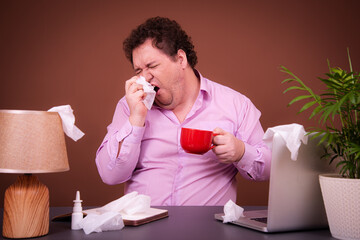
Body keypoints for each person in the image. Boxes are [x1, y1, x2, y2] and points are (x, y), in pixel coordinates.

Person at [95, 17, 271, 206]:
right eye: (138, 70)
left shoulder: (236, 104)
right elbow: (110, 175)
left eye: (152, 66)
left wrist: (241, 152)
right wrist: (136, 118)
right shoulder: (130, 105)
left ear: (181, 59)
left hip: (208, 230)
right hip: (144, 229)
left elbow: (268, 169)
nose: (144, 77)